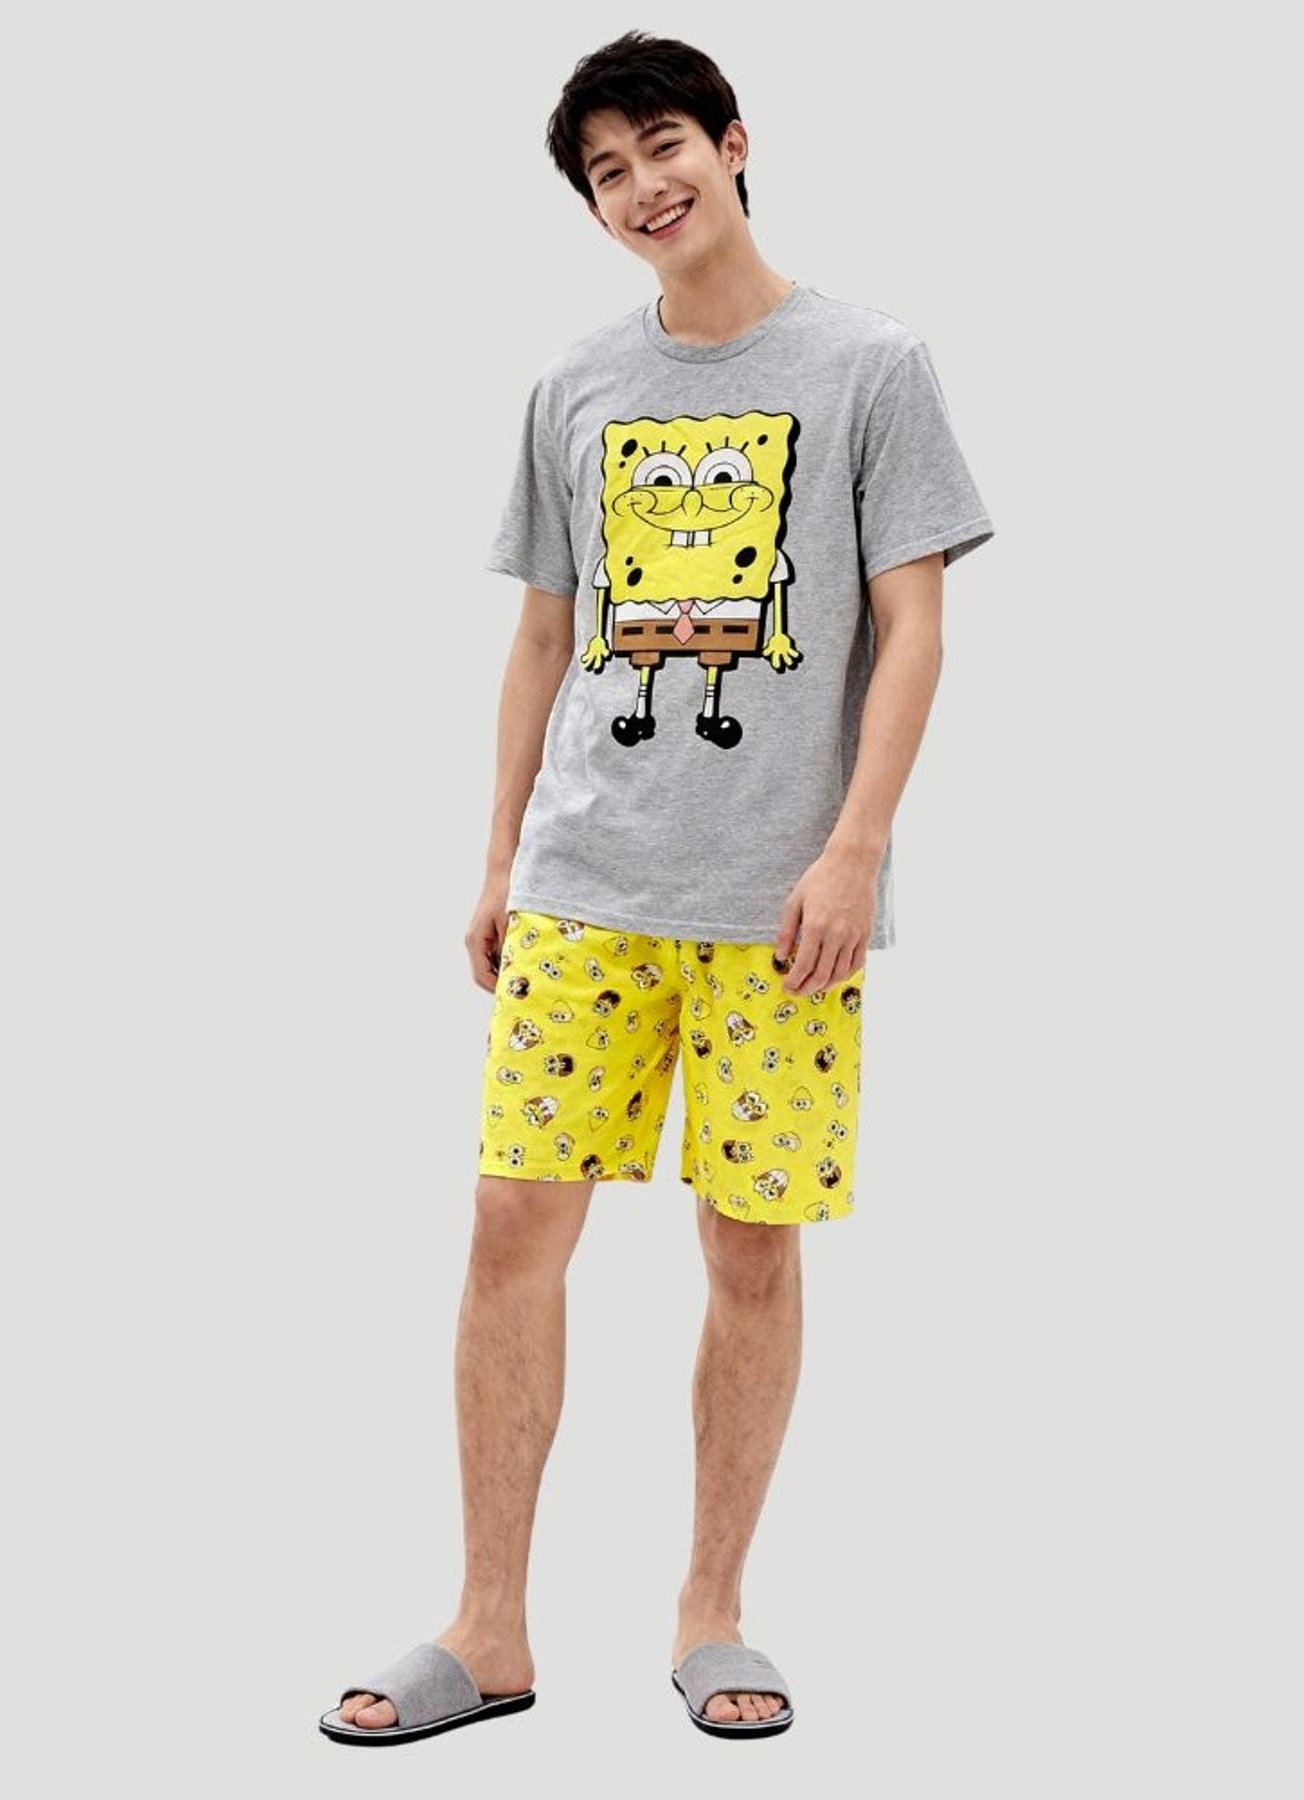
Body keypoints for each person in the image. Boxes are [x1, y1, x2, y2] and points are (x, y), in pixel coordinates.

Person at [320, 30, 994, 1747]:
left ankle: (712, 1610)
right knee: (509, 1223)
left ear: (736, 142)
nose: (643, 187)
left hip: (782, 906)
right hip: (586, 887)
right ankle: (487, 1627)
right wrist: (498, 855)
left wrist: (855, 847)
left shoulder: (871, 363)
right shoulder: (575, 385)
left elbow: (914, 624)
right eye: (608, 173)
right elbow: (543, 634)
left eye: (664, 146)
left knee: (749, 1244)